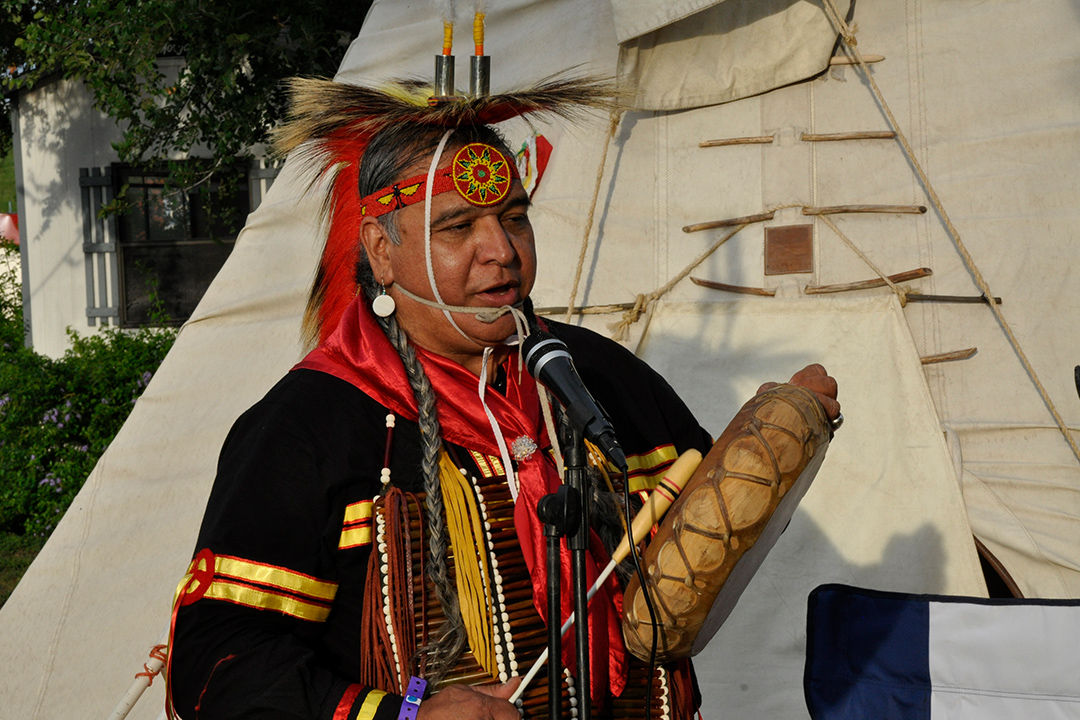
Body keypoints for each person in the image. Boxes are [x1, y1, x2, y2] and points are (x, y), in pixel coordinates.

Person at [168, 77, 839, 720]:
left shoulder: (597, 378)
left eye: (515, 218)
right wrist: (402, 716)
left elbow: (698, 549)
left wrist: (775, 435)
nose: (502, 250)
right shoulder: (310, 426)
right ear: (381, 250)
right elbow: (215, 663)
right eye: (458, 227)